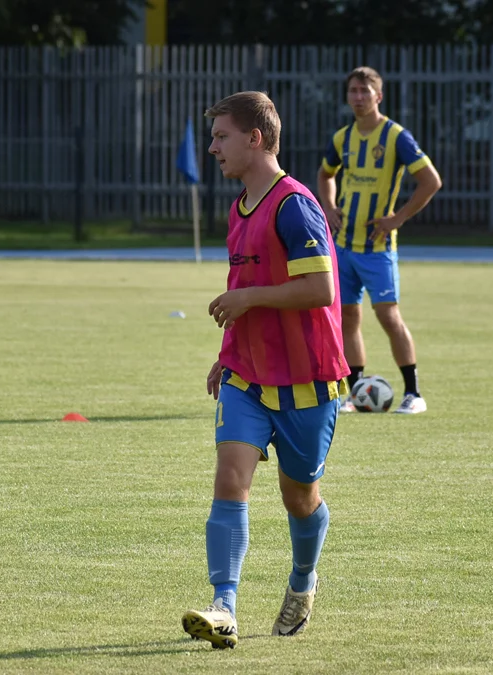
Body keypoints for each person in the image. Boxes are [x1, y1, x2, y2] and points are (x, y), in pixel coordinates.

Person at [181, 91, 349, 649]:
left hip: (307, 383)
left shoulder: (294, 205)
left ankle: (302, 582)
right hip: (246, 378)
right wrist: (227, 354)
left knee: (299, 497)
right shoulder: (237, 207)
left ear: (256, 138)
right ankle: (223, 605)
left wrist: (249, 299)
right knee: (230, 479)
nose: (212, 148)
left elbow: (320, 288)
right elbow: (242, 293)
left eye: (222, 136)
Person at [316, 67, 442, 415]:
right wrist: (328, 206)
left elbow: (430, 181)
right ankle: (355, 393)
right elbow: (325, 174)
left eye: (364, 91)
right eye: (353, 91)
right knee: (348, 318)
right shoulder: (343, 137)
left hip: (378, 248)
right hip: (344, 245)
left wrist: (397, 218)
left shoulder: (396, 136)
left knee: (389, 317)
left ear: (378, 96)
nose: (358, 97)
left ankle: (414, 393)